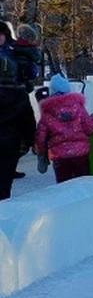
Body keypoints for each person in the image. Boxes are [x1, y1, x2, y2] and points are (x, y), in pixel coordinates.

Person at [35, 74, 93, 183]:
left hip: (60, 156)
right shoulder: (79, 107)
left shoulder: (47, 112)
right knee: (84, 184)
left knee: (65, 187)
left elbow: (40, 137)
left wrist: (41, 155)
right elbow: (89, 128)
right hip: (81, 153)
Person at [0, 53, 36, 200]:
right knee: (4, 186)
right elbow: (28, 123)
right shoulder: (20, 95)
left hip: (10, 144)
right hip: (10, 145)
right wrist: (27, 143)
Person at [12, 23, 41, 91]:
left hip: (17, 78)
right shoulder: (31, 48)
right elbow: (37, 59)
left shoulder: (14, 46)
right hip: (25, 77)